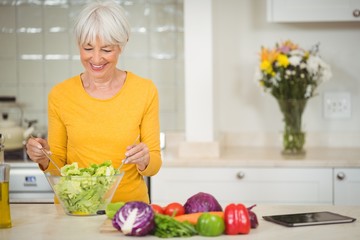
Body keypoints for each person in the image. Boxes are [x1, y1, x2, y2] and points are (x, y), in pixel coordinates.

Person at [26, 0, 162, 204]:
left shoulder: (144, 90)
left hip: (129, 211)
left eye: (106, 50)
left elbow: (155, 164)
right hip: (76, 211)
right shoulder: (60, 95)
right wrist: (43, 157)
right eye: (88, 48)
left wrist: (145, 159)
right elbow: (57, 166)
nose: (96, 59)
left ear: (122, 44)